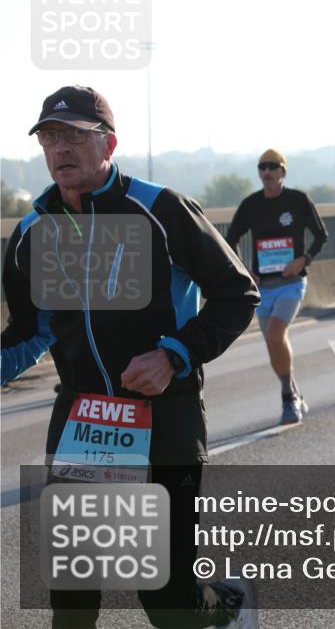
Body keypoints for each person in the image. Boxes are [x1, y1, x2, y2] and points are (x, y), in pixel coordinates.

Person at [2, 86, 261, 628]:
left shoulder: (160, 209)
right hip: (85, 418)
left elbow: (237, 292)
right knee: (72, 592)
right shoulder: (33, 232)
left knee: (164, 596)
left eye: (76, 135)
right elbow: (31, 332)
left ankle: (225, 605)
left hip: (165, 415)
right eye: (50, 137)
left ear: (109, 144)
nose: (61, 148)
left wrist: (174, 354)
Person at [225, 148, 328, 425]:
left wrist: (303, 259)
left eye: (273, 167)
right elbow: (230, 238)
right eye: (262, 167)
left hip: (292, 283)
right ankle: (294, 392)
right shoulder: (251, 205)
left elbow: (321, 236)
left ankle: (286, 397)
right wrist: (245, 270)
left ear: (283, 171)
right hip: (263, 287)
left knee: (274, 333)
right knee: (273, 343)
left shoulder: (298, 200)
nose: (267, 172)